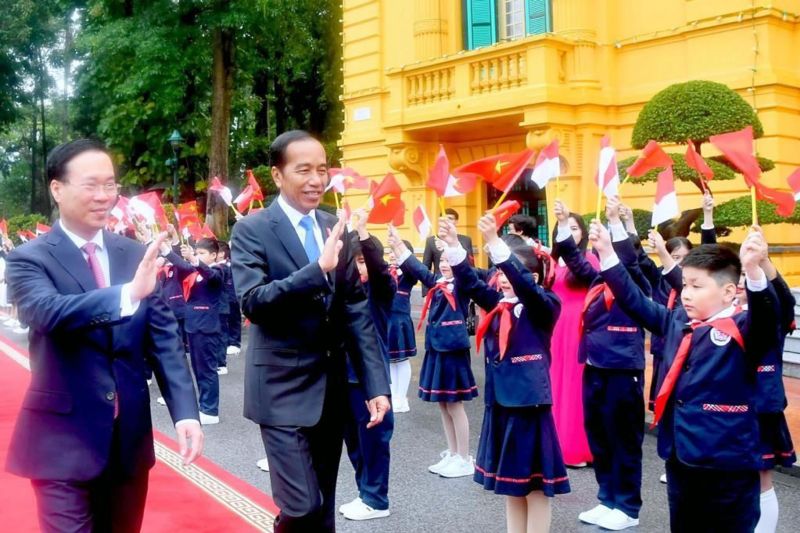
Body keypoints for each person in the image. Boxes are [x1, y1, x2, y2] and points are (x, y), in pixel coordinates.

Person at [4, 138, 203, 532]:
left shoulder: (134, 253)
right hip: (60, 441)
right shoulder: (29, 258)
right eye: (91, 185)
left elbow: (163, 339)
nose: (103, 196)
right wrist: (127, 295)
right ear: (57, 188)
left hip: (128, 441)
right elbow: (48, 312)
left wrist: (185, 412)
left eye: (110, 184)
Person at [230, 130, 391, 532]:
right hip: (280, 389)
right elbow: (253, 302)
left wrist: (376, 385)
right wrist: (316, 270)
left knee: (322, 508)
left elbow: (357, 312)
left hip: (330, 389)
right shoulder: (252, 229)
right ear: (278, 175)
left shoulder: (336, 226)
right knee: (301, 506)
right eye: (304, 170)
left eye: (322, 170)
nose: (316, 180)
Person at [591, 220, 780, 533]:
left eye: (696, 286)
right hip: (680, 457)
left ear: (729, 292)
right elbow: (635, 301)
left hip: (727, 462)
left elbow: (767, 317)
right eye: (685, 285)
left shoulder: (745, 327)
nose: (686, 294)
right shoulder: (677, 321)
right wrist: (607, 254)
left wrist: (754, 270)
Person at [444, 212, 570, 533]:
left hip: (529, 405)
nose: (502, 279)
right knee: (511, 485)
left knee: (536, 488)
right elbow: (470, 283)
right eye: (499, 272)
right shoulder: (498, 303)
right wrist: (454, 245)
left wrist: (495, 243)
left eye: (509, 272)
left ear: (534, 277)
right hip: (500, 403)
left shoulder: (544, 305)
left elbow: (525, 287)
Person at [555, 197, 651, 531]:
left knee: (624, 440)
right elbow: (574, 260)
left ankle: (627, 506)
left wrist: (614, 223)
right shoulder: (596, 279)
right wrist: (563, 224)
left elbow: (629, 259)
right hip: (594, 365)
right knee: (600, 436)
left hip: (623, 368)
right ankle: (607, 498)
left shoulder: (635, 281)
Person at [389, 224, 477, 478]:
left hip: (453, 350)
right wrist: (397, 244)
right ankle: (453, 452)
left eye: (450, 260)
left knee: (455, 405)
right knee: (443, 404)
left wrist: (453, 245)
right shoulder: (438, 283)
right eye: (442, 261)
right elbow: (417, 268)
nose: (445, 265)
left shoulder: (463, 283)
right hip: (436, 348)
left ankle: (464, 457)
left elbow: (464, 270)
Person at [731, 230, 797, 533]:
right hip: (729, 408)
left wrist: (763, 261)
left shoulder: (772, 313)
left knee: (761, 478)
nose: (742, 281)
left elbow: (783, 299)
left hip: (760, 407)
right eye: (739, 274)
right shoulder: (724, 314)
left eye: (747, 274)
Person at [340, 210, 396, 521]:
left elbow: (379, 269)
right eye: (354, 262)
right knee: (355, 442)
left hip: (371, 380)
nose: (359, 268)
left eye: (362, 261)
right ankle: (365, 492)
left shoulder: (379, 290)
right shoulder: (343, 291)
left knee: (374, 440)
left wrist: (362, 232)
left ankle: (377, 499)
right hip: (344, 377)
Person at [547, 209, 594, 469]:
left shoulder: (589, 260)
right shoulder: (551, 262)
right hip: (554, 327)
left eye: (575, 228)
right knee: (555, 381)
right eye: (564, 228)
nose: (569, 233)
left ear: (583, 233)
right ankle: (554, 442)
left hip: (578, 325)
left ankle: (577, 446)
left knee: (575, 384)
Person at [162, 238, 225, 424]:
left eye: (202, 253)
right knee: (198, 369)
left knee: (207, 370)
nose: (198, 256)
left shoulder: (219, 270)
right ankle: (203, 404)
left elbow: (212, 276)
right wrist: (166, 250)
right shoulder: (195, 271)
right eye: (197, 253)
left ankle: (210, 410)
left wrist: (194, 259)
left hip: (207, 326)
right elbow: (182, 265)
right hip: (193, 325)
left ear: (214, 255)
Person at [386, 239, 417, 413]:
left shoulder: (408, 273)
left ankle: (401, 396)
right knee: (390, 360)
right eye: (390, 250)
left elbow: (413, 268)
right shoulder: (384, 271)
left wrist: (403, 256)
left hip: (400, 320)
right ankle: (393, 396)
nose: (392, 254)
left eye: (395, 250)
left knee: (402, 359)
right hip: (385, 319)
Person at [422, 208, 474, 276]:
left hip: (461, 279)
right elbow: (425, 268)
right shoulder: (431, 241)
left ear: (456, 221)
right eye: (444, 219)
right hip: (441, 280)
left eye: (450, 218)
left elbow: (471, 264)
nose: (446, 221)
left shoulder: (466, 240)